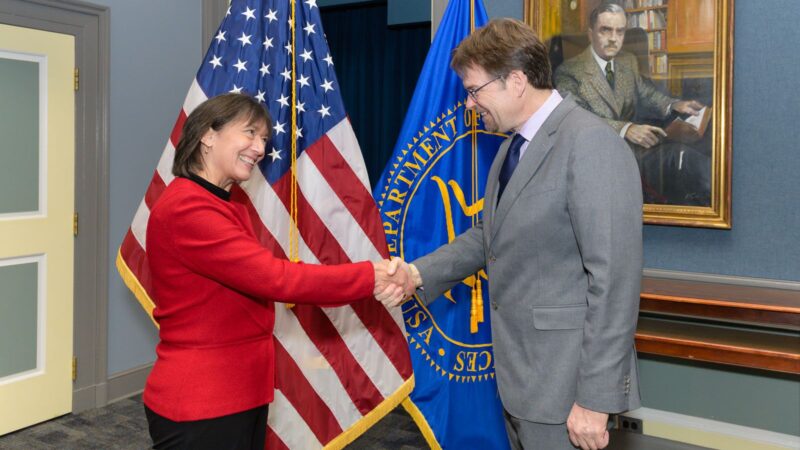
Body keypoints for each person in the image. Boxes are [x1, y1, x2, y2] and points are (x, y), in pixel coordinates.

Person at [391, 19, 643, 450]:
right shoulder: (511, 148)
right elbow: (489, 234)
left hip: (567, 392)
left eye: (474, 90)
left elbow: (615, 281)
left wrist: (595, 399)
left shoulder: (590, 144)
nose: (469, 104)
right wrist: (417, 274)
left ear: (517, 80)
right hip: (521, 381)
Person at [143, 93, 410, 450]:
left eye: (265, 139)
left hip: (235, 392)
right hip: (203, 400)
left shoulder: (220, 203)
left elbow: (260, 276)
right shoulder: (189, 209)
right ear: (208, 135)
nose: (260, 147)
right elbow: (276, 278)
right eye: (250, 133)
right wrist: (371, 275)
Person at [553, 1, 711, 205]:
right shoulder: (569, 72)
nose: (613, 39)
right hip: (600, 157)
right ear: (591, 33)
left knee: (700, 143)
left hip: (638, 147)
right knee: (681, 158)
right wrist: (625, 128)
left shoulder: (627, 61)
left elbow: (646, 94)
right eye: (606, 30)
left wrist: (674, 104)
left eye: (620, 32)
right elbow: (575, 118)